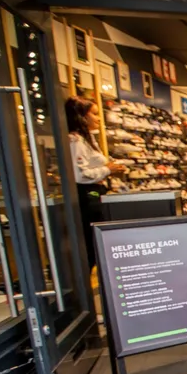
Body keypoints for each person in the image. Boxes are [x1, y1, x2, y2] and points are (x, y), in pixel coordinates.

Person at [67, 97, 124, 266]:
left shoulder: (86, 139)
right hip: (87, 197)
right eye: (94, 114)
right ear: (82, 116)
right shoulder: (75, 140)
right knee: (91, 246)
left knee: (96, 245)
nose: (98, 118)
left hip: (94, 194)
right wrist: (108, 170)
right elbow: (79, 175)